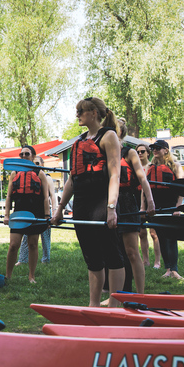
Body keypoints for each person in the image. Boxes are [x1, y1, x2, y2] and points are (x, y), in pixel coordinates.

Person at [52, 98, 125, 308]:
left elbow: (114, 175)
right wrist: (59, 210)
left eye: (80, 111)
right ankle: (93, 305)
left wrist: (111, 208)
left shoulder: (108, 135)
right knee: (91, 256)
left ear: (93, 113)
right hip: (82, 204)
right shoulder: (79, 141)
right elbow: (72, 180)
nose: (77, 115)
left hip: (103, 201)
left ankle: (114, 305)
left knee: (112, 254)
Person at [116, 120, 155, 294]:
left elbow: (142, 179)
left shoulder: (129, 153)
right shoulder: (103, 153)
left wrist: (150, 201)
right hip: (109, 204)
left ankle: (141, 295)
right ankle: (118, 294)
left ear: (121, 133)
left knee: (131, 251)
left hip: (126, 203)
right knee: (115, 253)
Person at [4, 146, 51, 283]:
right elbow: (8, 197)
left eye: (27, 154)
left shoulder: (39, 173)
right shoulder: (14, 173)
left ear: (33, 156)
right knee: (13, 245)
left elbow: (45, 197)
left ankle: (31, 276)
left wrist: (47, 216)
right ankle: (8, 276)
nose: (23, 156)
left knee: (33, 244)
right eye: (21, 154)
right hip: (19, 212)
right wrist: (7, 215)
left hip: (35, 213)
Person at [145, 139, 184, 280]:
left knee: (172, 237)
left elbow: (182, 188)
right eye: (153, 148)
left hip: (171, 205)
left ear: (166, 150)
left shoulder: (176, 166)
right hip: (157, 207)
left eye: (158, 148)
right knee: (161, 237)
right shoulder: (149, 167)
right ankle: (167, 269)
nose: (155, 150)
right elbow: (145, 190)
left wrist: (178, 207)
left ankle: (174, 270)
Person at [16, 156, 53, 266]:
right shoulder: (26, 176)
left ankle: (46, 259)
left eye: (37, 163)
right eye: (34, 163)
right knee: (27, 237)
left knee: (45, 237)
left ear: (42, 164)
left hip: (44, 211)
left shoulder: (47, 177)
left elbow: (52, 197)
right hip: (31, 211)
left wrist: (53, 212)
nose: (35, 165)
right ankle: (22, 259)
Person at [136, 143, 161, 268]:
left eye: (142, 151)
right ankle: (145, 260)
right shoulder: (135, 168)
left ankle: (157, 261)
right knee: (141, 233)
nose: (140, 154)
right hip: (137, 202)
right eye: (138, 152)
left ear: (148, 153)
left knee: (154, 233)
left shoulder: (153, 167)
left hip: (151, 202)